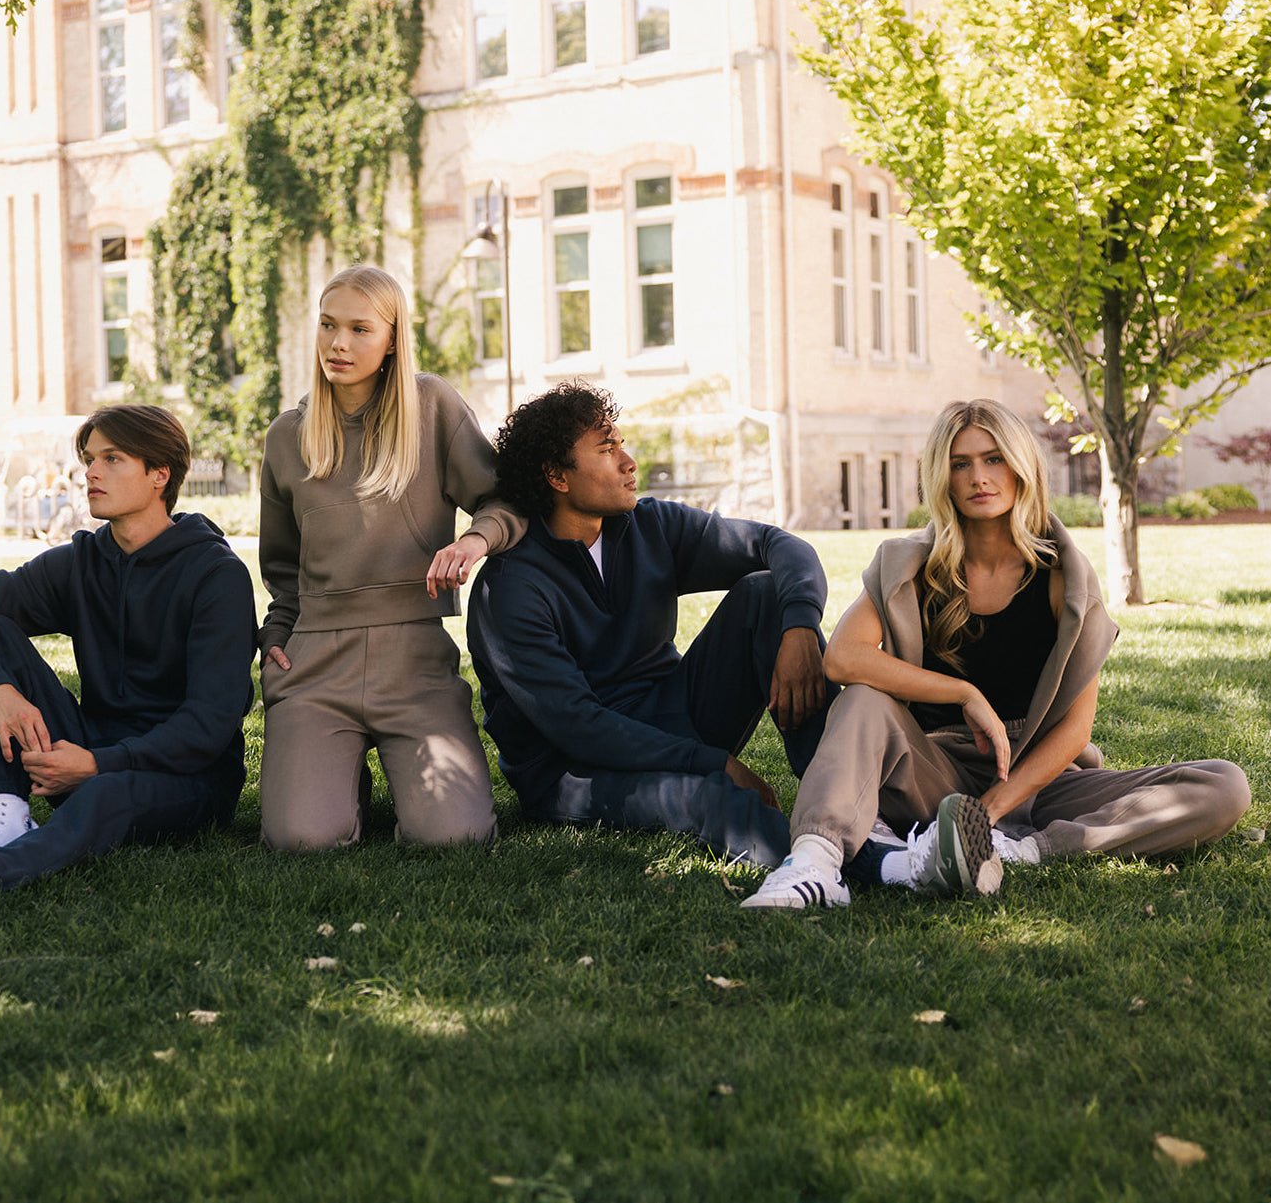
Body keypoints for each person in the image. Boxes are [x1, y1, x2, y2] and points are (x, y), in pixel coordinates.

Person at [743, 398, 1252, 910]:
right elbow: (843, 660)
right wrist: (963, 693)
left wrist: (987, 814)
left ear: (1021, 466)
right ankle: (814, 864)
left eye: (993, 459)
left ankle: (1021, 850)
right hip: (933, 769)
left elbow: (1074, 732)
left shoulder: (1063, 579)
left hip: (1039, 781)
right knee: (862, 701)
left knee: (1223, 785)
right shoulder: (910, 566)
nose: (978, 478)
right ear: (942, 478)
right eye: (960, 464)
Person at [0, 405, 257, 921]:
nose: (91, 473)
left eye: (112, 458)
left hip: (189, 779)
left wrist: (98, 764)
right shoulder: (82, 561)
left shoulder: (216, 575)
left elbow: (210, 724)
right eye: (88, 459)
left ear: (159, 475)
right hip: (84, 751)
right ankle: (7, 810)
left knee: (106, 794)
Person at [467, 381, 833, 867]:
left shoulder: (648, 525)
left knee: (766, 593)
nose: (628, 461)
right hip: (574, 771)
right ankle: (821, 867)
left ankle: (849, 807)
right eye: (606, 449)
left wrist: (800, 628)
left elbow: (779, 545)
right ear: (557, 475)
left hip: (671, 715)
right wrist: (710, 762)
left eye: (620, 443)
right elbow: (578, 726)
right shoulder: (510, 587)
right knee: (706, 799)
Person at [257, 265, 524, 850]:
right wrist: (277, 634)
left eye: (359, 329)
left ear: (393, 338)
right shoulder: (286, 436)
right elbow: (282, 567)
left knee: (455, 837)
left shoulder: (433, 407)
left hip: (415, 660)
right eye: (328, 326)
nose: (339, 344)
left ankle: (361, 773)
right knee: (301, 839)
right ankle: (337, 774)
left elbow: (503, 498)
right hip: (316, 663)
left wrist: (475, 539)